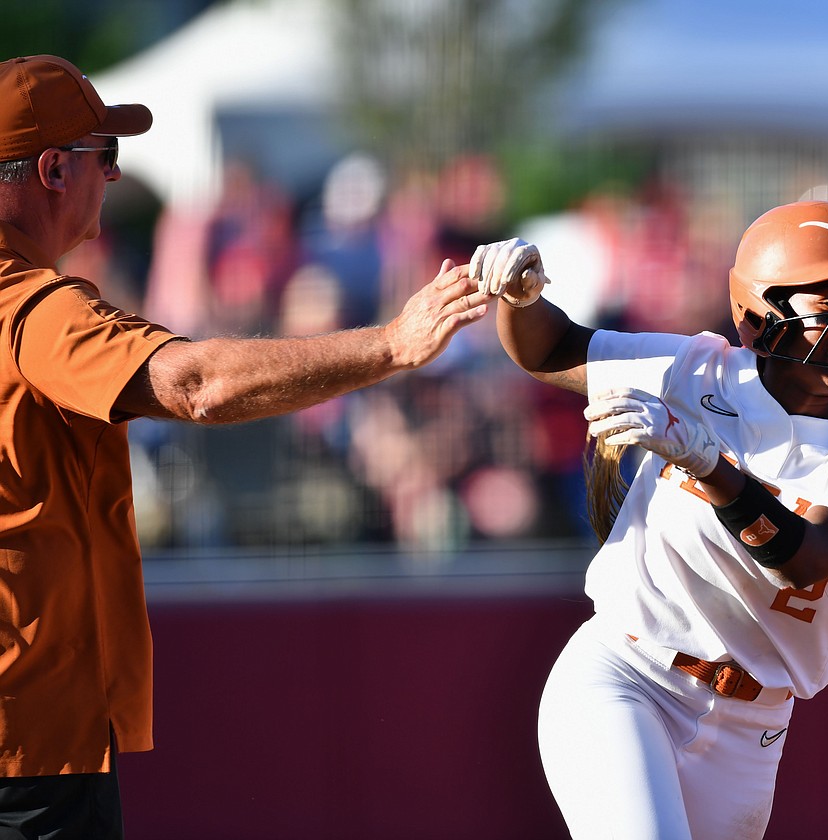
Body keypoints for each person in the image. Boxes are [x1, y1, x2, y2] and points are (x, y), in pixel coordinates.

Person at [0, 54, 489, 839]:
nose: (113, 178)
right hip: (27, 746)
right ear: (55, 169)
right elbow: (193, 383)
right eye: (105, 155)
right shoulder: (28, 307)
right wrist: (393, 344)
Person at [470, 199, 828, 839]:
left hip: (752, 729)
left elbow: (807, 558)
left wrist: (709, 462)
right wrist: (519, 297)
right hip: (630, 676)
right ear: (755, 315)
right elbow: (550, 348)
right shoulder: (696, 369)